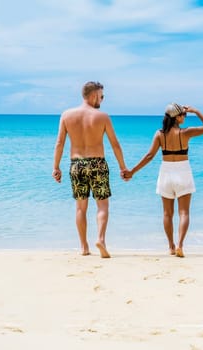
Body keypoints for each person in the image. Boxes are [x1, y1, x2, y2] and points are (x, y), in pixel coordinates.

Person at [126, 103, 203, 257]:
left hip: (166, 174)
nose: (185, 117)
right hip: (183, 172)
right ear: (177, 117)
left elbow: (149, 156)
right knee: (184, 212)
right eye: (184, 115)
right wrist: (196, 111)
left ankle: (171, 247)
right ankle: (180, 245)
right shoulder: (186, 133)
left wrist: (132, 171)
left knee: (167, 214)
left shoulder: (159, 134)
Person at [52, 81, 129, 258]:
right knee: (102, 205)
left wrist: (56, 167)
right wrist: (123, 167)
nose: (102, 100)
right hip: (98, 164)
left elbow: (60, 143)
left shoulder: (67, 115)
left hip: (76, 165)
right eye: (101, 96)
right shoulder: (102, 117)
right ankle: (101, 239)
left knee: (80, 207)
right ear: (94, 95)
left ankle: (84, 247)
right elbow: (115, 145)